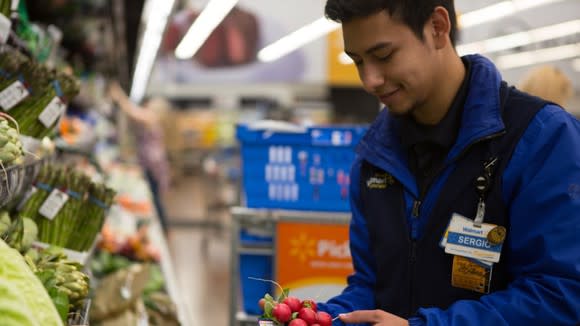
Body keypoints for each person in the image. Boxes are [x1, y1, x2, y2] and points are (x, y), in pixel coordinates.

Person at [313, 1, 580, 325]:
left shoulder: (540, 139)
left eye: (383, 55)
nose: (369, 80)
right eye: (357, 61)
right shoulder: (374, 158)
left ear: (438, 28)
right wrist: (321, 317)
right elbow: (373, 286)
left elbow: (561, 296)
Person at [109, 82, 172, 234]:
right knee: (155, 198)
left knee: (156, 199)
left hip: (153, 166)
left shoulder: (151, 117)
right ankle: (164, 230)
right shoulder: (153, 119)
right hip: (152, 164)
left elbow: (133, 112)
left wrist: (119, 96)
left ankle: (165, 231)